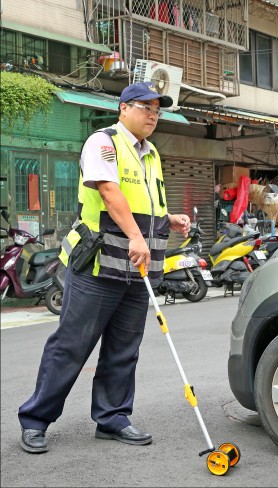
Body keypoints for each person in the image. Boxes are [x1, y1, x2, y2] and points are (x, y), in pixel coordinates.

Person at [18, 81, 191, 454]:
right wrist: (135, 235)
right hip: (97, 264)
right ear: (123, 108)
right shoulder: (104, 142)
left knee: (124, 348)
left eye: (157, 109)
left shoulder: (152, 153)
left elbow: (146, 202)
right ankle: (35, 421)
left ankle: (112, 419)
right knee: (71, 345)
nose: (153, 114)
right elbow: (110, 193)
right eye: (145, 106)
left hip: (134, 269)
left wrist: (169, 218)